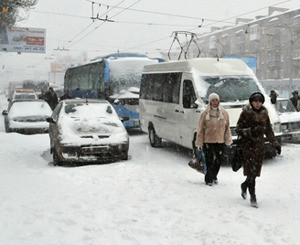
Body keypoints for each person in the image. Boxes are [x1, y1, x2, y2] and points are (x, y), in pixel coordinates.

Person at [236, 92, 281, 208]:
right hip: (248, 147)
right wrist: (250, 131)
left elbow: (269, 130)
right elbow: (238, 129)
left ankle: (244, 185)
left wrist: (275, 143)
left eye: (260, 101)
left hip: (259, 147)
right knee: (251, 172)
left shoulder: (264, 113)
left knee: (254, 173)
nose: (257, 103)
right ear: (251, 102)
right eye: (255, 101)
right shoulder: (246, 113)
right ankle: (253, 196)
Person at [195, 93, 233, 186]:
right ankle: (208, 179)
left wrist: (228, 139)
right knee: (209, 160)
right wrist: (199, 142)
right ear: (209, 101)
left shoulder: (224, 113)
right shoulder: (205, 113)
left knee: (218, 160)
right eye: (212, 100)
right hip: (208, 141)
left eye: (216, 100)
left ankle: (214, 175)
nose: (214, 102)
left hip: (220, 141)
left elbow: (227, 127)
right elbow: (200, 128)